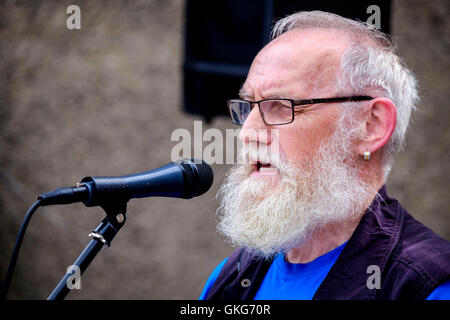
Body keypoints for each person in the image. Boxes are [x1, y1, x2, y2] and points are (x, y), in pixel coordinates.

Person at [199, 11, 450, 300]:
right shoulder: (232, 277)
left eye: (280, 105)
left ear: (371, 126)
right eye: (248, 106)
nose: (247, 133)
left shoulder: (425, 286)